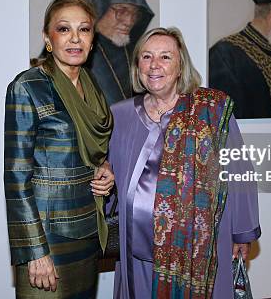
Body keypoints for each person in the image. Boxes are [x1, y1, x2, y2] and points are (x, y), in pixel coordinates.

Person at [109, 27, 261, 298]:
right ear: (137, 66)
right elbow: (109, 174)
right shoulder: (120, 115)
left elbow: (238, 169)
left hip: (199, 250)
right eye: (146, 57)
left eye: (165, 57)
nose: (154, 65)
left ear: (180, 67)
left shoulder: (211, 110)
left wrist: (242, 232)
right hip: (136, 248)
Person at [4, 0, 115, 298]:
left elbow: (90, 152)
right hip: (48, 238)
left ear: (93, 38)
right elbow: (16, 177)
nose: (75, 38)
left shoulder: (92, 86)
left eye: (85, 29)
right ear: (47, 37)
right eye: (64, 29)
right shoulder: (28, 87)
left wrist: (104, 169)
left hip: (88, 231)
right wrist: (35, 251)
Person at [80, 0, 155, 105]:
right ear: (98, 7)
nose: (129, 22)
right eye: (121, 11)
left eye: (135, 14)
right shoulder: (74, 51)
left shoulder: (136, 52)